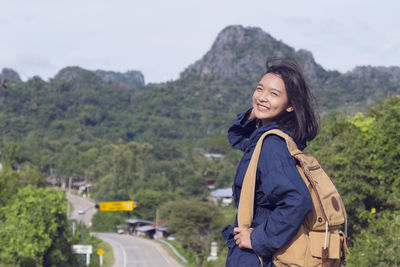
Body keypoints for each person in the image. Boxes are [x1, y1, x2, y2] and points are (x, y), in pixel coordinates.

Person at [222, 57, 319, 267]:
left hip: (258, 258)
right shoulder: (274, 138)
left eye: (274, 94)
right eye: (259, 89)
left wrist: (257, 239)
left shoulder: (272, 144)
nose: (263, 97)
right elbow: (239, 139)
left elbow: (297, 200)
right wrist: (257, 111)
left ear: (290, 106)